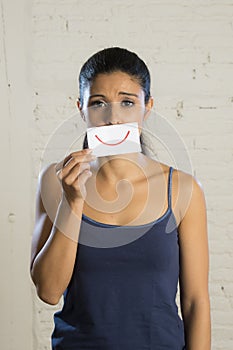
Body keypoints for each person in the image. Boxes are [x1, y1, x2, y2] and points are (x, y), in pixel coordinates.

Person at [30, 47, 211, 349]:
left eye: (127, 102)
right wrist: (73, 201)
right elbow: (48, 291)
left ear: (147, 106)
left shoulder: (183, 189)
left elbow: (196, 302)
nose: (113, 118)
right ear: (81, 109)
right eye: (98, 103)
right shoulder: (55, 180)